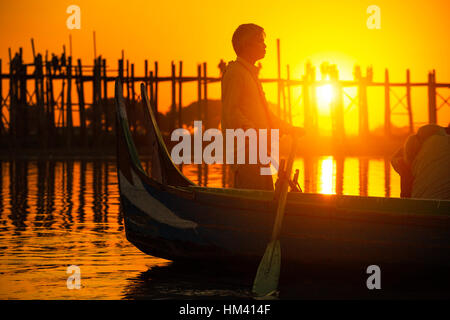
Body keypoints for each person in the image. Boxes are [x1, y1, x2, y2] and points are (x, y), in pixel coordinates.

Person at [221, 23, 304, 190]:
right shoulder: (236, 72)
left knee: (266, 196)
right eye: (260, 41)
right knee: (253, 200)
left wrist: (288, 128)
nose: (265, 45)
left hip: (261, 152)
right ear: (246, 45)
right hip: (247, 153)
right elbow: (231, 112)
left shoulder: (250, 73)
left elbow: (266, 115)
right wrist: (251, 130)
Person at [391, 124, 450, 199]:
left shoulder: (421, 143)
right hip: (442, 206)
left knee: (403, 166)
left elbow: (394, 159)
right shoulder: (441, 141)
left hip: (416, 204)